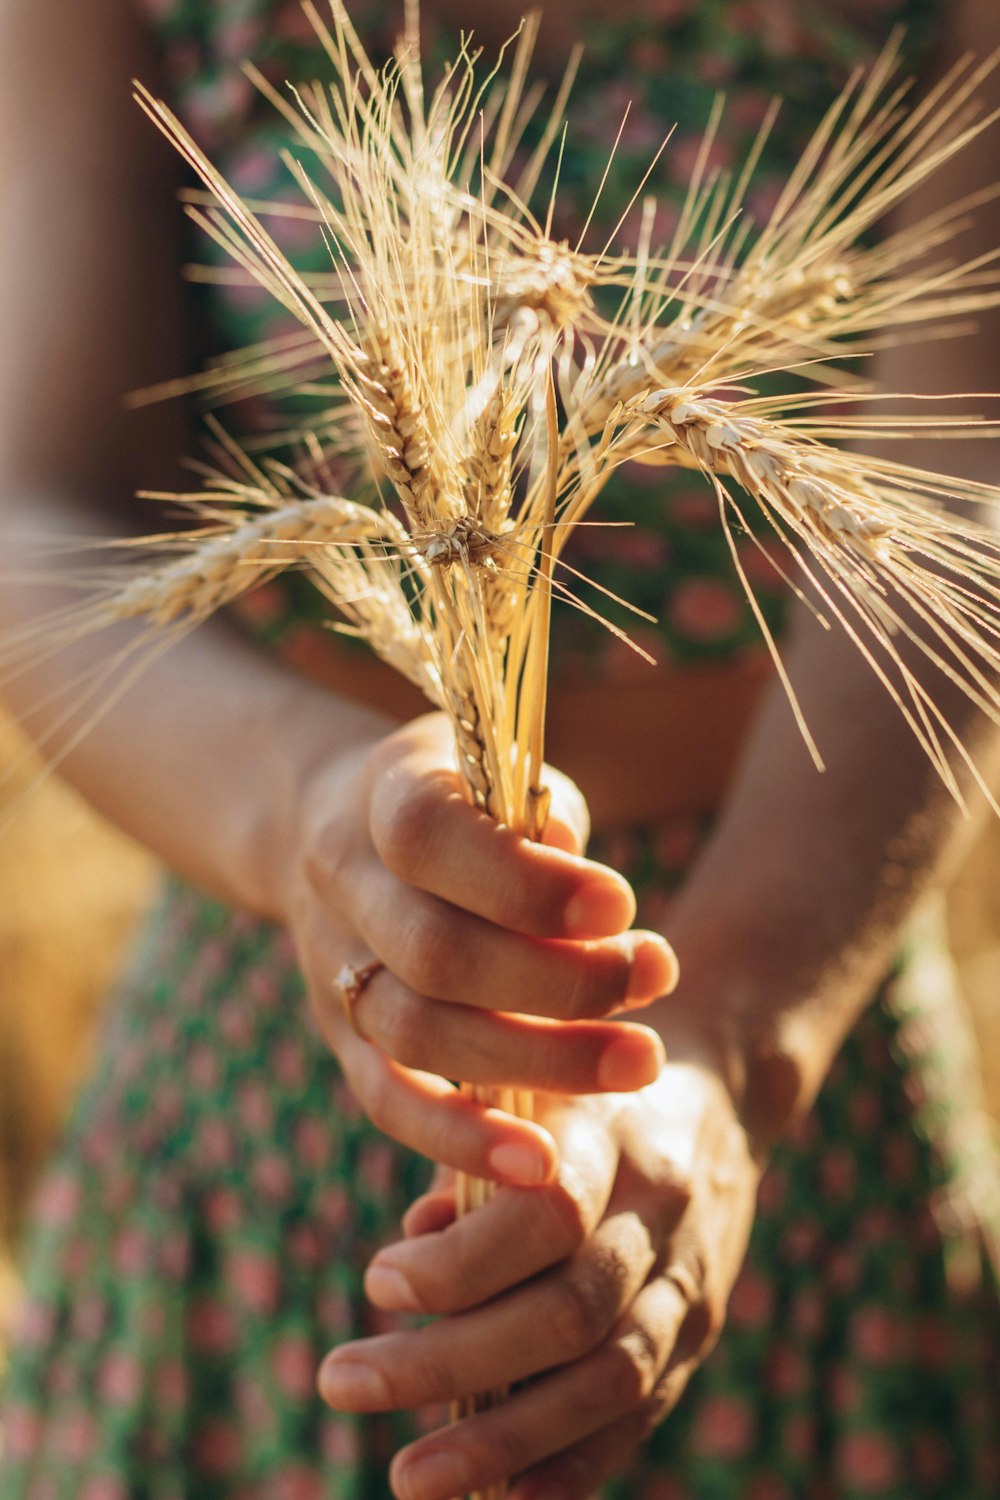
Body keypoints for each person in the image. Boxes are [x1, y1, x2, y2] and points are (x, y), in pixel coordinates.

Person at [1, 1, 1000, 1498]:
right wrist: (310, 815)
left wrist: (730, 1057)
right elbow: (46, 517)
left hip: (780, 1009)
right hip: (275, 1022)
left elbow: (961, 510)